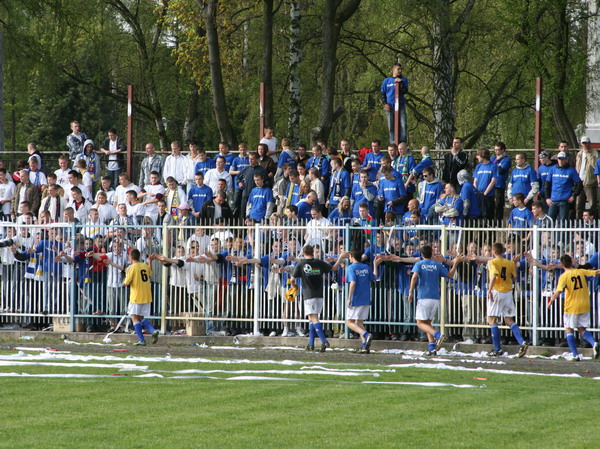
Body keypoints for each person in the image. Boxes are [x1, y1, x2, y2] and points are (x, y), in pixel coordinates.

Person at [408, 245, 463, 355]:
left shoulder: (419, 264)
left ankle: (438, 335)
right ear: (432, 254)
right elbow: (450, 275)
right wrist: (455, 263)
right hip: (435, 298)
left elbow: (414, 277)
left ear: (422, 255)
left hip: (423, 296)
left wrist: (410, 292)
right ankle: (432, 347)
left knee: (419, 323)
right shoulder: (437, 265)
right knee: (428, 322)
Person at [546, 254, 600, 361]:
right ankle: (594, 343)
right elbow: (596, 272)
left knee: (569, 330)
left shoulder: (564, 276)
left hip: (572, 306)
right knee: (581, 328)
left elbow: (559, 291)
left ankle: (575, 355)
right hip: (584, 304)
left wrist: (551, 301)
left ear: (561, 264)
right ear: (572, 262)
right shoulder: (580, 271)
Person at [486, 242, 528, 358]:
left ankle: (497, 349)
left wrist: (489, 290)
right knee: (509, 319)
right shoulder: (510, 263)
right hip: (508, 292)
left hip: (497, 291)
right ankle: (522, 342)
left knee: (492, 319)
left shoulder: (492, 262)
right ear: (503, 252)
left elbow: (494, 275)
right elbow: (514, 277)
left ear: (494, 252)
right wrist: (514, 264)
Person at [291, 245, 335, 352]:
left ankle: (324, 340)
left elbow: (292, 279)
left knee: (313, 317)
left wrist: (294, 286)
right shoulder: (319, 263)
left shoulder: (301, 264)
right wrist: (340, 258)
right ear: (313, 252)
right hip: (319, 294)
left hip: (309, 294)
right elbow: (333, 268)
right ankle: (311, 344)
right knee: (311, 319)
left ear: (303, 253)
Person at [124, 249, 159, 346]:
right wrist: (150, 262)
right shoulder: (144, 265)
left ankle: (142, 340)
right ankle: (152, 331)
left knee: (134, 317)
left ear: (131, 257)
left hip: (136, 296)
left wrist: (126, 274)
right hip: (147, 296)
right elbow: (150, 273)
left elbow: (126, 282)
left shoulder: (132, 267)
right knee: (141, 317)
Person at [345, 248, 375, 353]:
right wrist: (375, 265)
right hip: (366, 298)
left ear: (352, 257)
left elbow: (353, 283)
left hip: (356, 298)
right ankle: (364, 346)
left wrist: (349, 298)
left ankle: (366, 335)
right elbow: (374, 278)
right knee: (359, 322)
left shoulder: (351, 267)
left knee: (349, 322)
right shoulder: (366, 267)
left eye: (349, 256)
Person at [545, 151, 582, 222]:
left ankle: (562, 233)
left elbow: (579, 184)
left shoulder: (571, 170)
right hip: (553, 200)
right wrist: (547, 198)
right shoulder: (552, 169)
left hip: (565, 200)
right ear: (557, 159)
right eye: (559, 159)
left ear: (566, 159)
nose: (561, 161)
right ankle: (548, 233)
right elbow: (547, 184)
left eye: (562, 159)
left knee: (563, 221)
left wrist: (573, 196)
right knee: (549, 220)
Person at [380, 62, 408, 143]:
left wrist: (401, 83)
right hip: (390, 106)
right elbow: (382, 93)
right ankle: (392, 142)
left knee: (403, 124)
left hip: (401, 105)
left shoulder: (404, 80)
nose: (400, 71)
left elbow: (404, 91)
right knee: (391, 126)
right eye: (398, 69)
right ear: (393, 70)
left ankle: (402, 142)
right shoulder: (386, 81)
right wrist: (385, 104)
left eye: (401, 69)